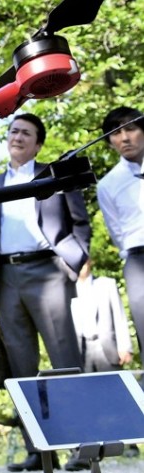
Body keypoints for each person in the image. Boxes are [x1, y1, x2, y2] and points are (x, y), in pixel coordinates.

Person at [0, 113, 90, 473]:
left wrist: (78, 259)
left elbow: (79, 220)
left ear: (38, 143)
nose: (18, 137)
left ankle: (80, 445)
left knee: (65, 361)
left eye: (26, 133)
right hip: (6, 278)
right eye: (13, 131)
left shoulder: (54, 175)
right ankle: (39, 450)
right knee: (22, 367)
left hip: (50, 271)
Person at [97, 107, 144, 348]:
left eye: (131, 129)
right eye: (116, 132)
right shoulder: (107, 184)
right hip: (138, 260)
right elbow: (116, 230)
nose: (124, 138)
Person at [70, 259, 133, 373]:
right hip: (80, 350)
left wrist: (125, 347)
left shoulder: (107, 284)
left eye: (83, 262)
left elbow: (119, 316)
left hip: (107, 348)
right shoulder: (67, 290)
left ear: (90, 262)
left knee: (112, 388)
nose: (81, 266)